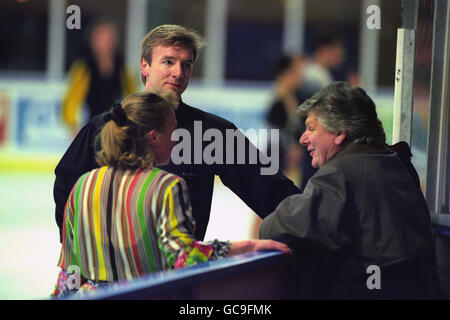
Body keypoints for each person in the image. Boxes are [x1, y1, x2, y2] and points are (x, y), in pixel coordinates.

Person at [54, 24, 300, 243]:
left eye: (186, 65)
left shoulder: (211, 133)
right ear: (144, 66)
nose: (178, 73)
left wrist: (312, 224)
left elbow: (269, 189)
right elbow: (67, 188)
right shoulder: (104, 127)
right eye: (168, 62)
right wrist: (81, 251)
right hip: (113, 279)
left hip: (178, 278)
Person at [51, 92, 291, 298]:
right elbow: (185, 257)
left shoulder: (83, 184)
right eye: (173, 132)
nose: (178, 139)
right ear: (154, 137)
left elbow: (71, 265)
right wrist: (248, 246)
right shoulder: (166, 186)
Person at [259, 82, 442, 299]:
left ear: (339, 133)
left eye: (311, 128)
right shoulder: (396, 162)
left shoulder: (339, 174)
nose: (302, 138)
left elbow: (274, 229)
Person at [61, 19, 137, 133]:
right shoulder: (84, 67)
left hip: (116, 128)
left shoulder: (122, 67)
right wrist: (73, 126)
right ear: (93, 42)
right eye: (103, 39)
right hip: (91, 125)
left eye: (110, 39)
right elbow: (71, 100)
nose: (107, 43)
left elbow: (133, 96)